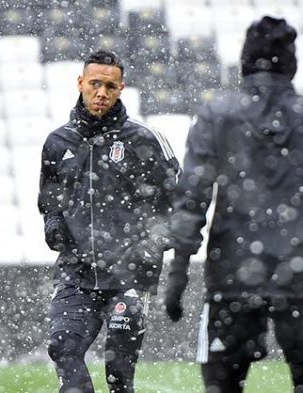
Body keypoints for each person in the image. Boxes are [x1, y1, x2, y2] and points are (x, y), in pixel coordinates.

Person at [162, 16, 303, 393]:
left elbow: (192, 197)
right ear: (291, 64)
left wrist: (177, 272)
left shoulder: (215, 116)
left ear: (244, 61)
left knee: (222, 386)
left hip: (233, 274)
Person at [38, 49, 180, 393]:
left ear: (121, 89)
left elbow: (180, 207)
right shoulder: (58, 142)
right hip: (76, 272)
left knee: (118, 371)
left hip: (128, 275)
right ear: (81, 83)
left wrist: (151, 244)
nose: (101, 93)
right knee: (63, 347)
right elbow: (50, 199)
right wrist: (53, 224)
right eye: (95, 84)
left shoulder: (145, 140)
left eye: (110, 87)